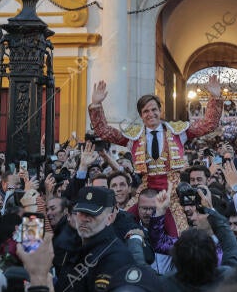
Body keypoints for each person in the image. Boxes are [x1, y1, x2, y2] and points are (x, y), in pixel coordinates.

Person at [88, 74, 223, 230]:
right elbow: (105, 132)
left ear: (160, 111)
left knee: (179, 233)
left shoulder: (178, 132)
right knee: (117, 224)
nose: (150, 114)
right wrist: (96, 105)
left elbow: (208, 125)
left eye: (154, 110)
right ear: (141, 115)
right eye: (146, 111)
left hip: (172, 193)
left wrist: (215, 97)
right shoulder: (134, 136)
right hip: (145, 192)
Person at [56, 186, 135, 291]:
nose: (84, 219)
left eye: (92, 214)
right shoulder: (74, 244)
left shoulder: (116, 257)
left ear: (109, 218)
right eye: (80, 212)